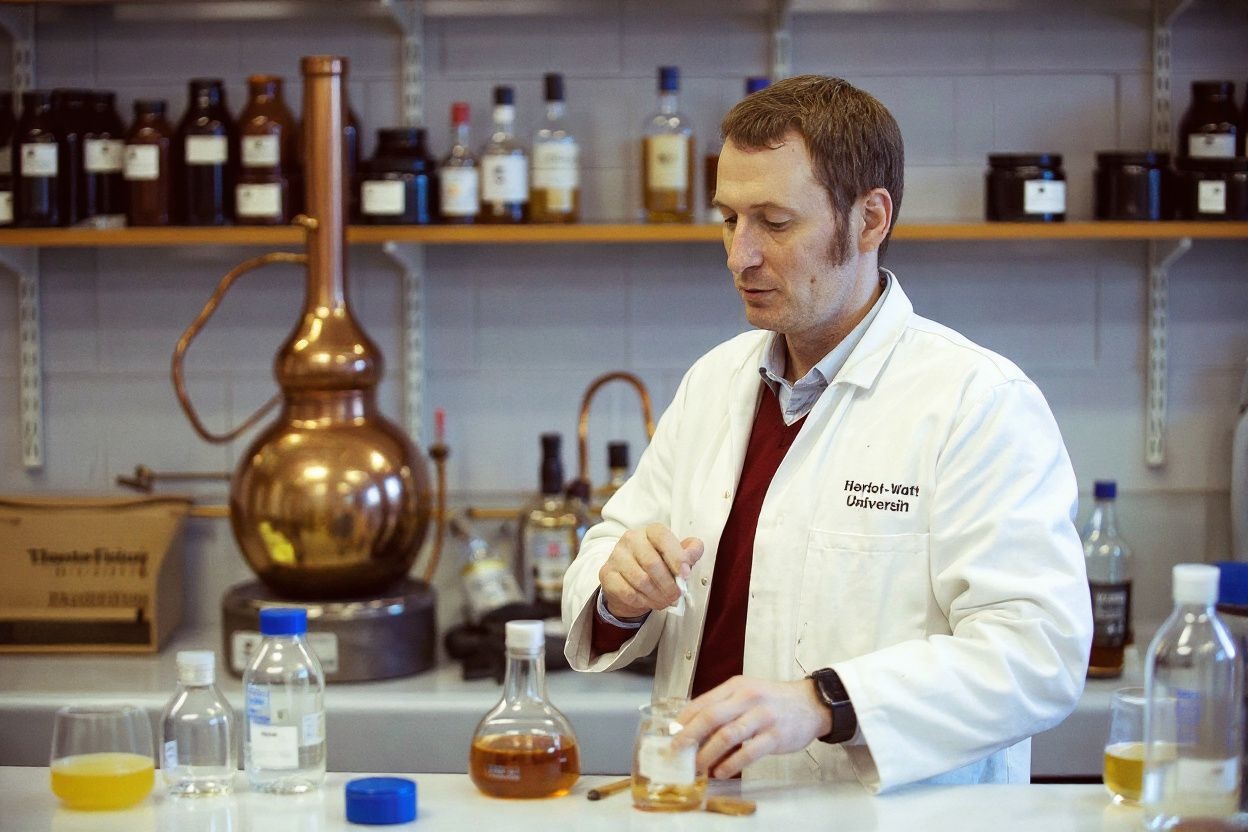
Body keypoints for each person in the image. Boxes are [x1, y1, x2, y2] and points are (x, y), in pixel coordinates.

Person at [560, 75, 1092, 792]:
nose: (739, 256)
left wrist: (825, 702)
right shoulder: (715, 382)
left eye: (775, 223)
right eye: (729, 219)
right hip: (698, 801)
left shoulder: (977, 402)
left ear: (869, 220)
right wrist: (619, 591)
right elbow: (610, 550)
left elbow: (1038, 656)